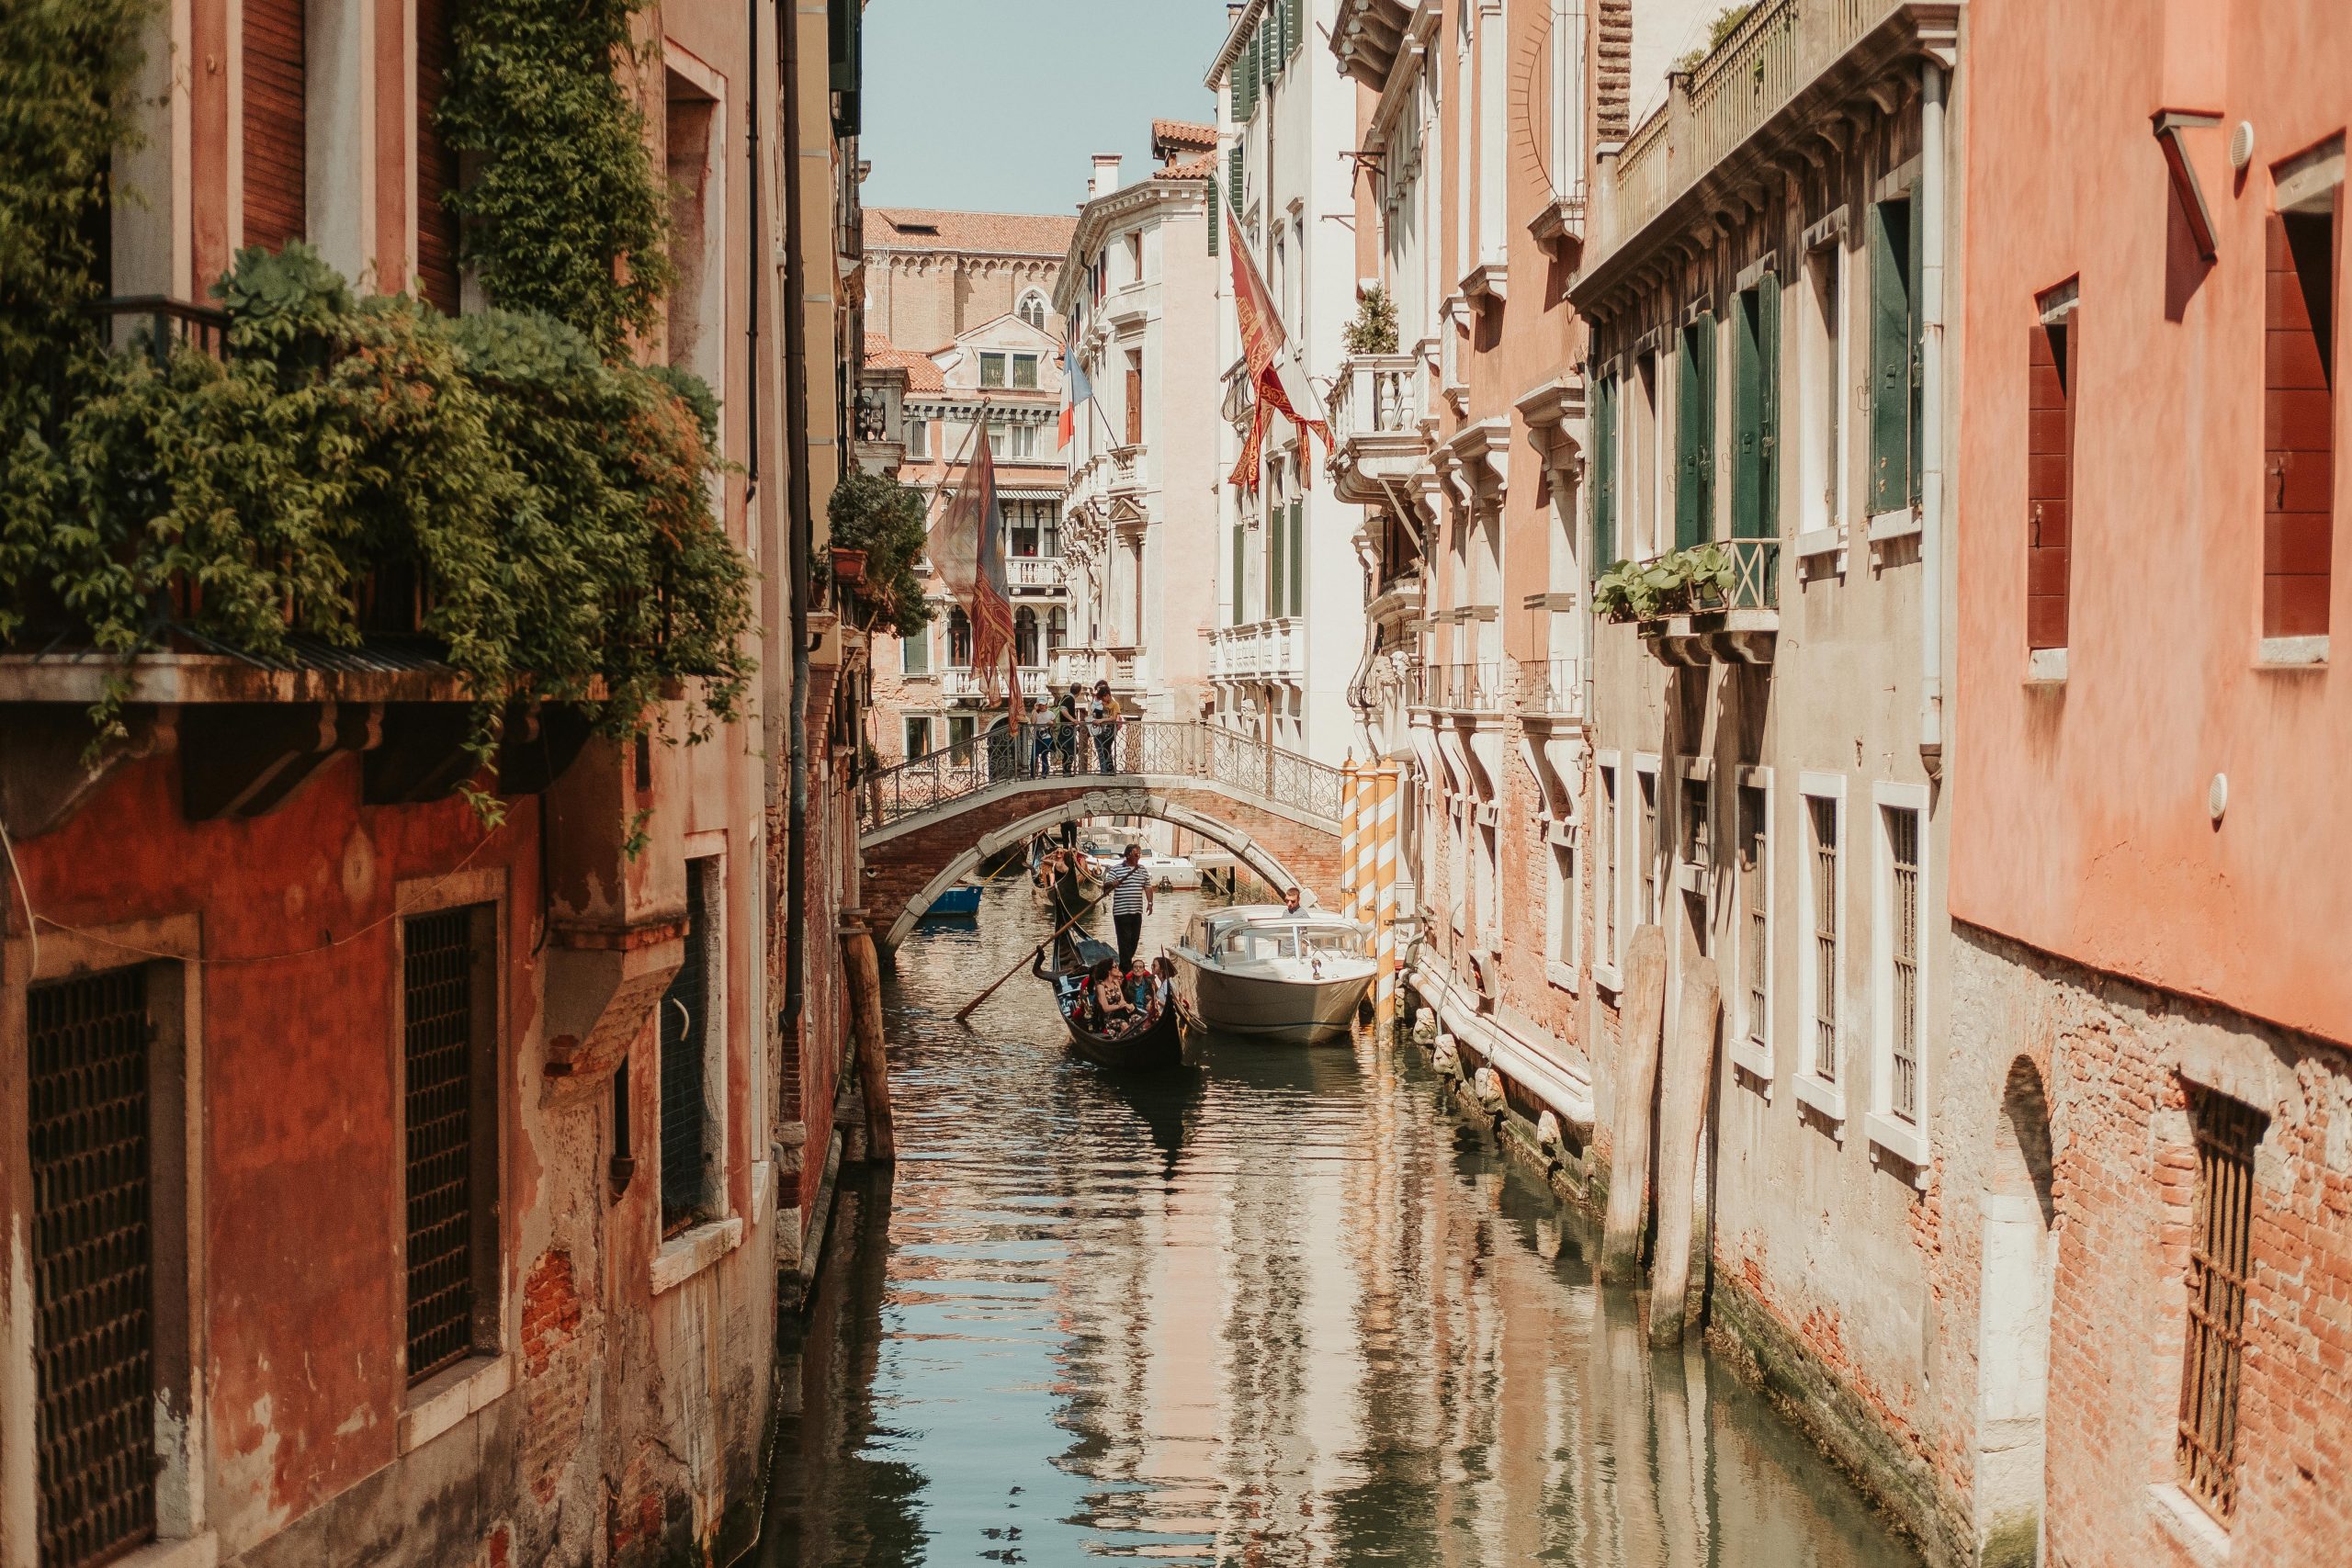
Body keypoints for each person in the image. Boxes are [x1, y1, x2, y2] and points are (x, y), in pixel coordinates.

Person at [1102, 842, 1153, 969]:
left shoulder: (1142, 870)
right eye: (1136, 855)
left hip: (1137, 911)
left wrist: (1150, 903)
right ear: (1128, 855)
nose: (1138, 857)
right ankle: (1126, 970)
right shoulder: (1116, 869)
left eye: (1139, 855)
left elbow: (1147, 887)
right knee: (1124, 941)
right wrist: (1112, 883)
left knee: (1134, 941)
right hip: (1121, 912)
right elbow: (1105, 886)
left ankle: (1124, 966)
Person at [1089, 957, 1135, 1031]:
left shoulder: (1116, 982)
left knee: (1137, 1018)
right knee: (1124, 1025)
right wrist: (1119, 1006)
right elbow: (1105, 1008)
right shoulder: (1100, 986)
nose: (1118, 968)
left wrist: (1128, 1005)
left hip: (1120, 1013)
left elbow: (1122, 1000)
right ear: (1108, 970)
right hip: (1108, 1018)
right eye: (1115, 966)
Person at [1091, 681, 1122, 773]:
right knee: (1102, 748)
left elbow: (1113, 718)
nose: (1103, 701)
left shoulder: (1115, 704)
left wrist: (1102, 720)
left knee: (1106, 747)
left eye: (1104, 699)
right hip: (1101, 729)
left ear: (1107, 695)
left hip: (1110, 729)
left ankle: (1110, 769)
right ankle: (1105, 769)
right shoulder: (1101, 703)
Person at [1061, 685, 1086, 774]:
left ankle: (1066, 770)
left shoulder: (1066, 697)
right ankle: (1067, 771)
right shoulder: (1069, 698)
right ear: (1079, 692)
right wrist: (1073, 720)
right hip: (1067, 729)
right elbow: (1063, 710)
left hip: (1067, 728)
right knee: (1071, 750)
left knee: (1069, 749)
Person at [1030, 696, 1056, 777]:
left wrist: (1051, 723)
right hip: (1038, 736)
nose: (1041, 706)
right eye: (1040, 705)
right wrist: (1034, 709)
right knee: (1034, 755)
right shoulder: (1035, 713)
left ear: (1046, 705)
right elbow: (1033, 722)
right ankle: (1033, 774)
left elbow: (1055, 726)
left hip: (1047, 736)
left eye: (1043, 704)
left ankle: (1044, 774)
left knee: (1044, 755)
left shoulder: (1051, 713)